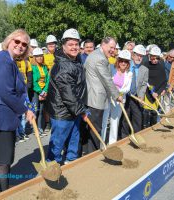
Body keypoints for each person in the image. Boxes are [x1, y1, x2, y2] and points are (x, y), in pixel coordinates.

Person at [0, 29, 35, 194]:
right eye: (17, 41)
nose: (20, 46)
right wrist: (26, 111)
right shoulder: (4, 60)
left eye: (24, 44)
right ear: (8, 41)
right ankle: (4, 194)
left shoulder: (9, 60)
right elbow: (6, 92)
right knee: (2, 161)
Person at [46, 28, 88, 164]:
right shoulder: (63, 66)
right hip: (62, 112)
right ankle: (52, 169)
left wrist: (80, 109)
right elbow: (68, 94)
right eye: (71, 44)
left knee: (73, 142)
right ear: (63, 46)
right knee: (57, 145)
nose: (74, 47)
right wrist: (81, 110)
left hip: (74, 111)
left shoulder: (76, 60)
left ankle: (71, 163)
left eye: (76, 44)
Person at [83, 37, 123, 153]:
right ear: (103, 45)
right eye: (111, 47)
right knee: (96, 129)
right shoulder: (100, 59)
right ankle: (94, 155)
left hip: (91, 98)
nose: (113, 50)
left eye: (114, 48)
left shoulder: (96, 55)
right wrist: (117, 95)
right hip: (95, 99)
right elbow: (107, 80)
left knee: (90, 129)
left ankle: (87, 153)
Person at [102, 50, 132, 145]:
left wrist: (117, 92)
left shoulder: (129, 74)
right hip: (108, 98)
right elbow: (106, 82)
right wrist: (113, 90)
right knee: (104, 120)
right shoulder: (111, 68)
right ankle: (101, 142)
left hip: (119, 100)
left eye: (126, 61)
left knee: (115, 121)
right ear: (118, 61)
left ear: (128, 63)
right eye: (122, 60)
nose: (123, 63)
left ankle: (112, 143)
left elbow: (127, 88)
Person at [119, 45, 148, 138]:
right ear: (133, 55)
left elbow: (144, 84)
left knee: (138, 118)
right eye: (137, 55)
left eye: (141, 56)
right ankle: (124, 138)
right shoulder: (125, 65)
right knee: (124, 118)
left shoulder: (144, 70)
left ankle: (137, 136)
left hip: (136, 97)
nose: (139, 57)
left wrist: (141, 96)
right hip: (124, 96)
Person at [142, 46, 167, 128]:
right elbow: (143, 79)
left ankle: (153, 127)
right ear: (150, 56)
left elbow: (164, 82)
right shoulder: (145, 65)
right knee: (146, 111)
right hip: (147, 92)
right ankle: (145, 127)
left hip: (157, 93)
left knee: (154, 112)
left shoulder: (161, 67)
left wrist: (158, 92)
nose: (155, 60)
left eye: (157, 58)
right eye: (153, 58)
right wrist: (149, 89)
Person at [32, 47, 49, 137]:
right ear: (34, 57)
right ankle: (35, 129)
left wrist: (45, 91)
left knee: (42, 110)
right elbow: (34, 81)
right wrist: (40, 92)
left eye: (41, 56)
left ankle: (40, 128)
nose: (40, 58)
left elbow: (47, 80)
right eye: (38, 56)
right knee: (35, 110)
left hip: (43, 92)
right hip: (36, 92)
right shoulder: (33, 67)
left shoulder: (44, 67)